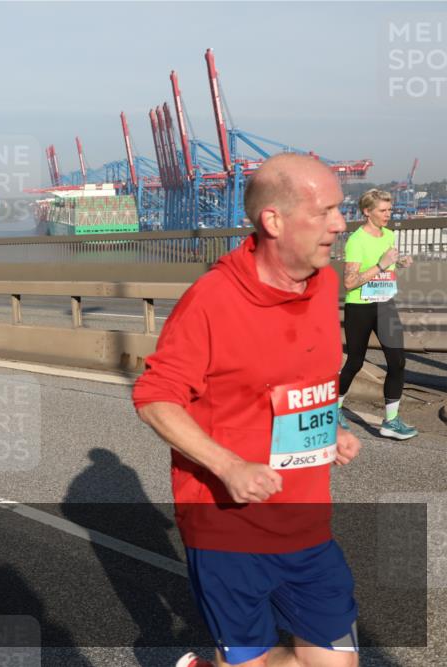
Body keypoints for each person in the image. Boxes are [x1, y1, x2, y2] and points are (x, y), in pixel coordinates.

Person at [133, 155, 362, 667]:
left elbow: (304, 378)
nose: (340, 224)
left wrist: (333, 424)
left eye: (339, 210)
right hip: (227, 528)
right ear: (274, 221)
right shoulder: (212, 301)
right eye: (325, 211)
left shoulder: (325, 284)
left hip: (306, 523)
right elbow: (154, 396)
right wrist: (229, 465)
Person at [338, 189, 417, 440]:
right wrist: (382, 263)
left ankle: (391, 421)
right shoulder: (356, 241)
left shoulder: (389, 235)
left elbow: (385, 267)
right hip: (359, 307)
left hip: (385, 304)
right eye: (383, 211)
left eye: (389, 210)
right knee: (355, 362)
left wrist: (398, 263)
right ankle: (334, 408)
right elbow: (349, 282)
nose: (388, 215)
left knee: (397, 362)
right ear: (367, 212)